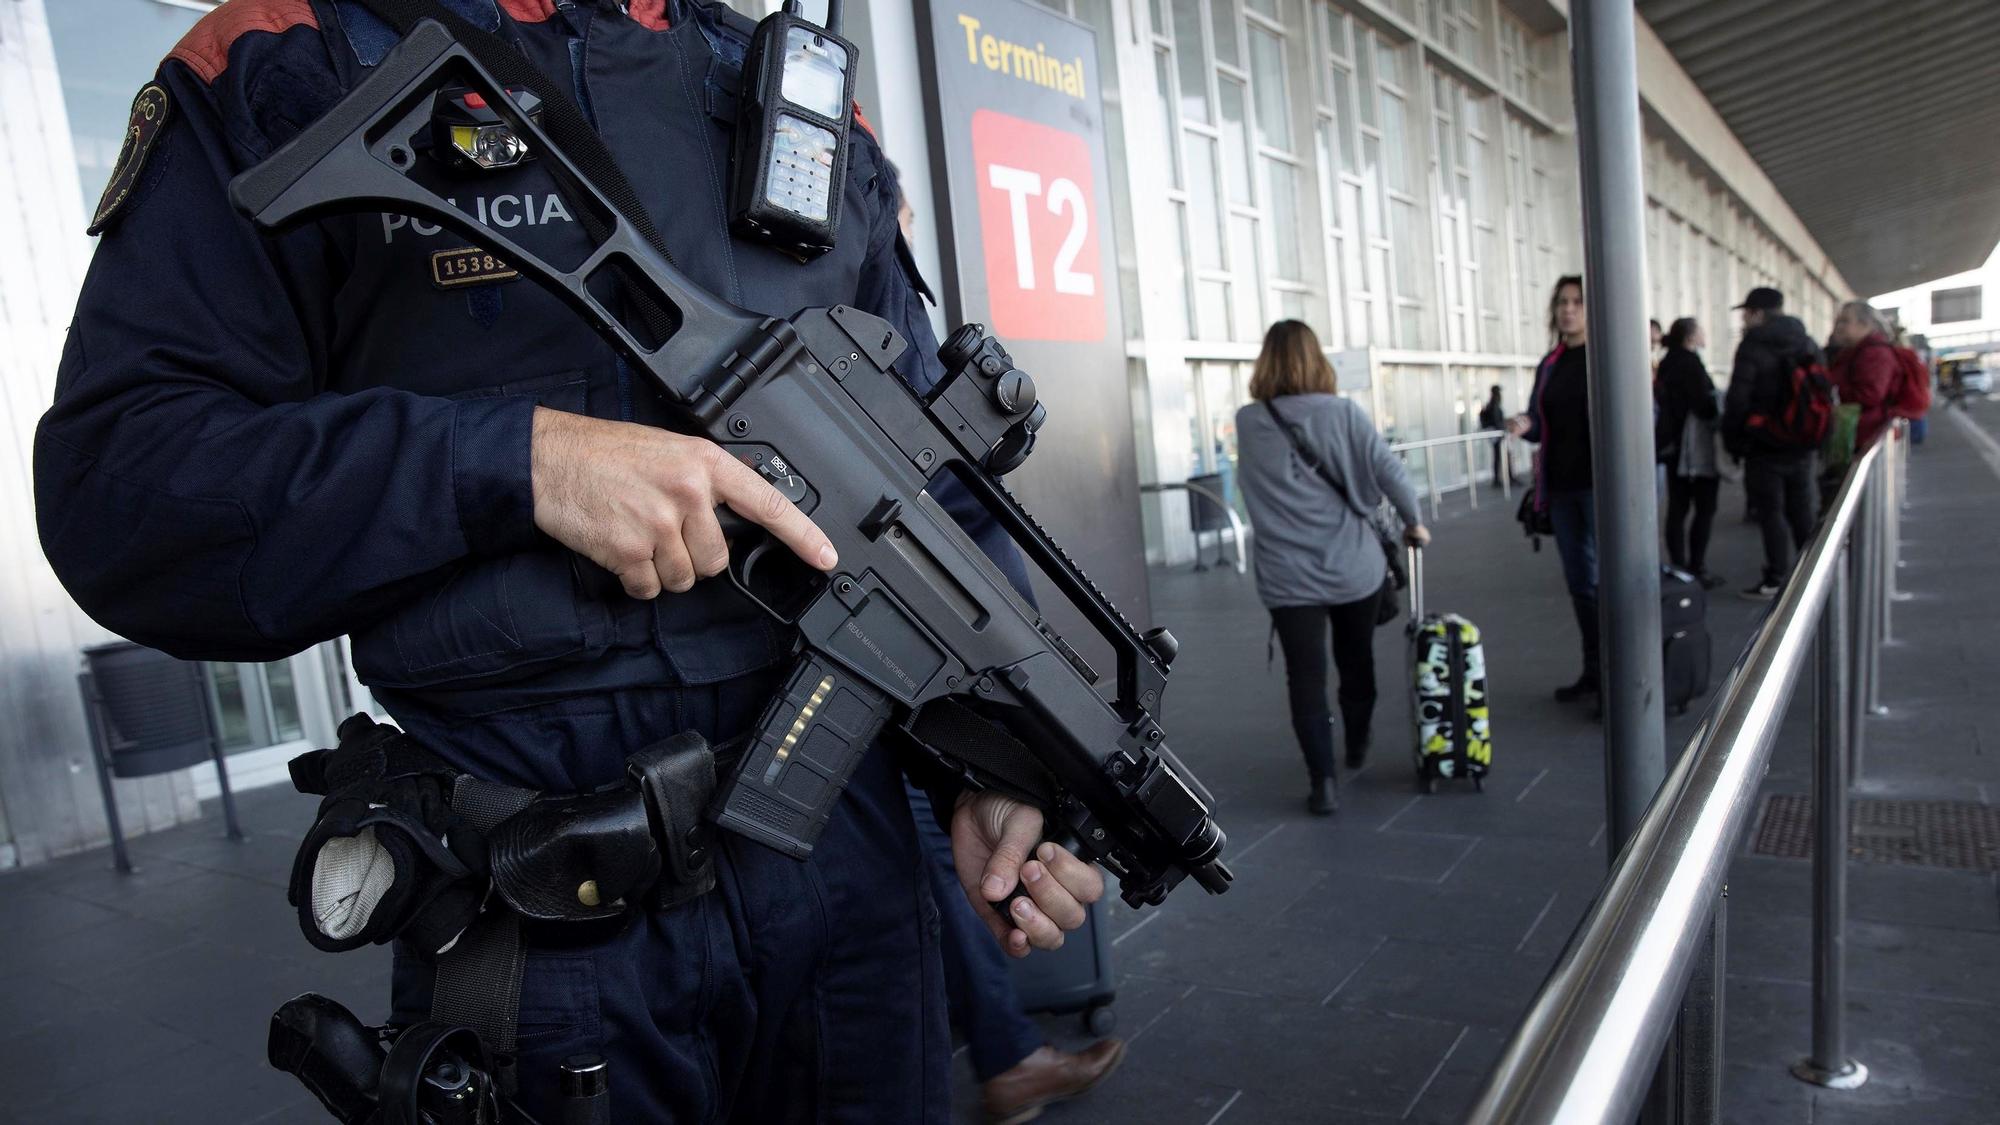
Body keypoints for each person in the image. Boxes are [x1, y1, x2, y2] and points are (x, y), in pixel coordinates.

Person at [33, 3, 1101, 1121]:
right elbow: (122, 490)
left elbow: (924, 492)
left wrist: (991, 764)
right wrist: (519, 464)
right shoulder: (287, 60)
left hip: (854, 888)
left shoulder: (800, 96)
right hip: (547, 904)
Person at [1235, 321, 1428, 816]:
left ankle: (1323, 782)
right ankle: (1357, 743)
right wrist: (1415, 523)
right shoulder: (1344, 413)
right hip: (1352, 567)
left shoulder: (1249, 421)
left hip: (1286, 575)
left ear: (1266, 362)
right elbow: (1390, 471)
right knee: (1355, 659)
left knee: (1305, 677)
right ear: (1317, 359)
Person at [1505, 277, 1599, 707]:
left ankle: (1619, 677)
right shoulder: (1552, 362)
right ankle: (1595, 671)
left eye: (1577, 302)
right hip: (1560, 486)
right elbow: (1542, 423)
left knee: (1607, 583)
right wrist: (1525, 425)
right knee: (1581, 584)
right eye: (1562, 302)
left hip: (1601, 487)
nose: (1568, 310)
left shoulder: (1604, 357)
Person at [1721, 287, 1824, 601]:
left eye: (1746, 312)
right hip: (1802, 440)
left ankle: (1778, 576)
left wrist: (1734, 442)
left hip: (1764, 441)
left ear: (1757, 313)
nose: (1744, 318)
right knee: (1801, 508)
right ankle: (1814, 572)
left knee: (1771, 511)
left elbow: (1738, 399)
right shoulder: (1806, 342)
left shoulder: (1752, 346)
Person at [1655, 318, 1724, 588]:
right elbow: (1704, 404)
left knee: (1677, 507)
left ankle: (1679, 565)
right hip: (1695, 449)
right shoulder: (1690, 363)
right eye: (1701, 330)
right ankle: (1697, 566)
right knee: (1705, 508)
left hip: (1672, 445)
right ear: (1691, 336)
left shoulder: (1667, 361)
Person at [1827, 301, 1900, 452]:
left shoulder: (1874, 353)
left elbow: (1870, 395)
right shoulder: (1856, 351)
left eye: (1845, 321)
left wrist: (1835, 389)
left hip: (1864, 434)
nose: (1839, 326)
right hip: (1856, 432)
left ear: (1865, 324)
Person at [1478, 384, 1508, 485]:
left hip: (1496, 432)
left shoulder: (1493, 403)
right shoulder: (1494, 403)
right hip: (1496, 433)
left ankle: (1499, 478)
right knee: (1497, 456)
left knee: (1498, 456)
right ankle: (1497, 479)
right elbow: (1496, 420)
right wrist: (1502, 429)